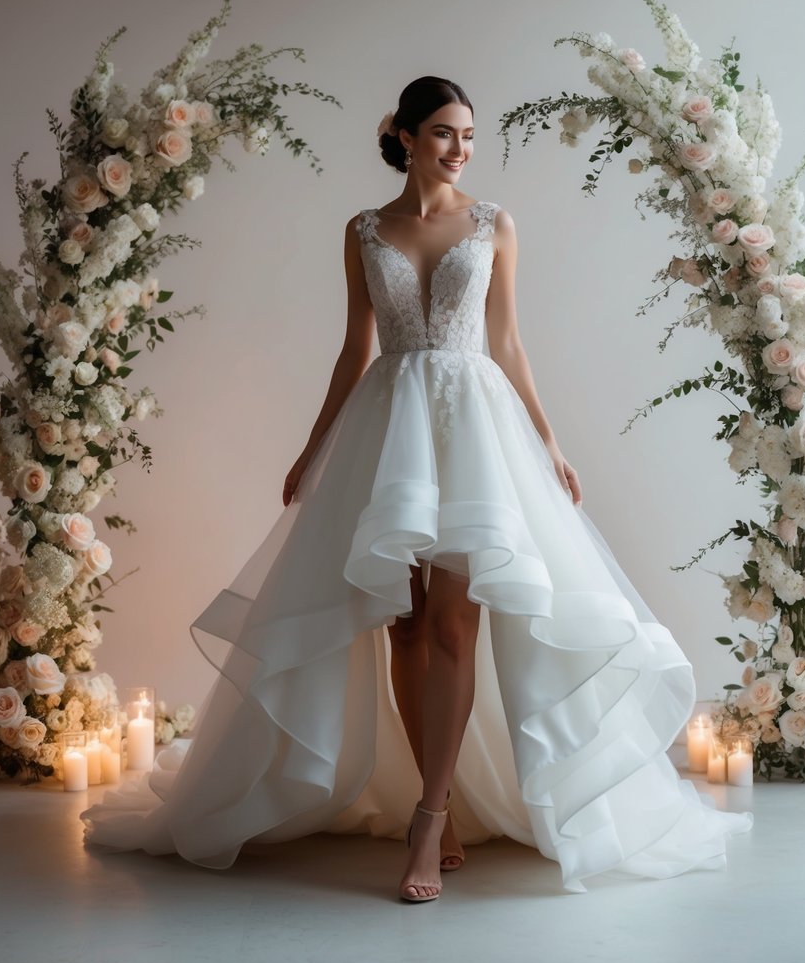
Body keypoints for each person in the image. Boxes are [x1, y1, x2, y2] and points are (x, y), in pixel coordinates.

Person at [81, 75, 753, 902]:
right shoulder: (364, 230)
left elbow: (508, 343)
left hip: (476, 433)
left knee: (452, 628)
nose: (459, 148)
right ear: (401, 135)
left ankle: (431, 821)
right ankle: (433, 803)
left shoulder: (493, 223)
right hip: (387, 432)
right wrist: (313, 448)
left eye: (467, 134)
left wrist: (549, 442)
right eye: (441, 132)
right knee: (399, 628)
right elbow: (353, 347)